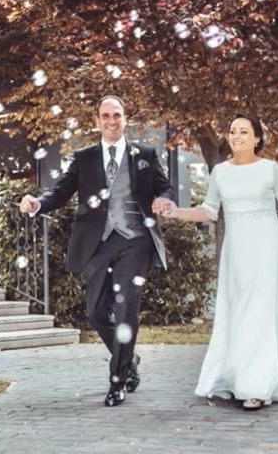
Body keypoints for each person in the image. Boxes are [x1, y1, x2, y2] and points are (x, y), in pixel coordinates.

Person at [19, 95, 174, 407]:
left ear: (125, 118)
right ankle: (129, 361)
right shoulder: (84, 157)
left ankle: (118, 381)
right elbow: (61, 191)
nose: (111, 121)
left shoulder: (144, 153)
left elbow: (164, 187)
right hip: (97, 243)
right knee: (95, 313)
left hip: (135, 241)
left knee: (127, 308)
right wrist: (38, 204)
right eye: (105, 116)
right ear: (97, 120)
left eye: (117, 115)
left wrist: (165, 200)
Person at [159, 113, 278, 410]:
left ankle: (256, 385)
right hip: (237, 251)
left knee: (260, 312)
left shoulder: (270, 169)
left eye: (244, 131)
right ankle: (239, 374)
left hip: (268, 247)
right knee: (239, 311)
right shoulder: (220, 172)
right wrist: (176, 212)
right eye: (232, 131)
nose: (237, 136)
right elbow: (209, 211)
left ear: (257, 138)